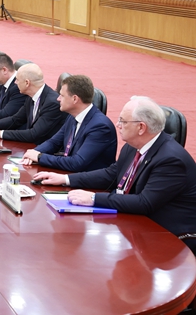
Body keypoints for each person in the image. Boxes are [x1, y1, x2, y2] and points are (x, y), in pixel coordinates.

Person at [35, 96, 196, 253]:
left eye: (123, 121)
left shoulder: (171, 160)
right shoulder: (134, 145)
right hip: (136, 221)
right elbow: (111, 174)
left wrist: (93, 198)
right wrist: (65, 179)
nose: (118, 125)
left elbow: (145, 203)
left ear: (141, 128)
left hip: (168, 237)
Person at [21, 75, 117, 171]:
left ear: (75, 99)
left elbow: (77, 163)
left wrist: (39, 157)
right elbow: (54, 142)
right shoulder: (73, 116)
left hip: (87, 178)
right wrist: (33, 152)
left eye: (62, 95)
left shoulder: (100, 127)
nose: (58, 99)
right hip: (70, 172)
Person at [0, 63, 66, 145]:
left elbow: (34, 134)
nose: (15, 83)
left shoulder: (52, 103)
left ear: (27, 83)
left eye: (17, 80)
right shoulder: (31, 95)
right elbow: (16, 119)